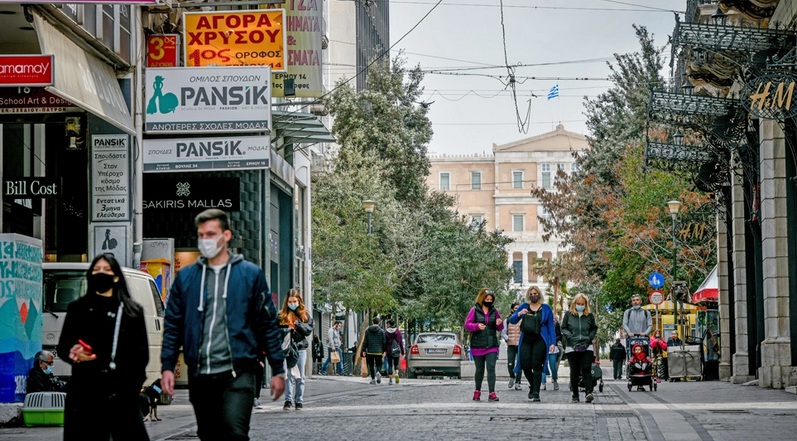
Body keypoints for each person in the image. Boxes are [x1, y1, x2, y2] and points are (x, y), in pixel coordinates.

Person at [161, 209, 285, 441]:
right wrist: (167, 365)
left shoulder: (250, 275)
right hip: (202, 373)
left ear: (226, 235)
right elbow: (173, 324)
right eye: (201, 235)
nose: (205, 240)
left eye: (211, 234)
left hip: (239, 371)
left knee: (234, 433)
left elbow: (267, 324)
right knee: (209, 435)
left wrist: (277, 368)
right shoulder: (187, 278)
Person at [57, 253, 149, 441]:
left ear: (116, 276)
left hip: (122, 393)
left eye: (107, 270)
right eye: (97, 270)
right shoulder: (78, 308)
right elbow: (64, 346)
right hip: (85, 393)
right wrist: (75, 352)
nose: (101, 274)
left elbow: (141, 356)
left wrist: (132, 388)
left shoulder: (131, 311)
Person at [509, 286, 556, 402]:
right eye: (531, 294)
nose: (533, 295)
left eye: (535, 293)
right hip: (526, 338)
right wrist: (519, 313)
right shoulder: (524, 306)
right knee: (525, 364)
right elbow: (512, 320)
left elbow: (550, 326)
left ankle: (536, 392)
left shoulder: (546, 308)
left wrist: (553, 342)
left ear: (539, 294)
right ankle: (533, 385)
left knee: (536, 364)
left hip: (540, 338)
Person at [464, 288, 504, 402]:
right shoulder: (474, 310)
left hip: (491, 344)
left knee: (491, 368)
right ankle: (477, 391)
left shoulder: (494, 311)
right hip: (478, 344)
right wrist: (476, 326)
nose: (489, 301)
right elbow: (467, 325)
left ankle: (492, 392)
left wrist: (499, 323)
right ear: (482, 298)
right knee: (479, 370)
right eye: (487, 299)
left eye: (491, 299)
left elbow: (500, 328)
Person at [279, 289, 313, 411]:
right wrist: (286, 329)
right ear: (286, 302)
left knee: (300, 376)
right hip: (287, 348)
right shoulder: (282, 315)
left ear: (299, 301)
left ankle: (299, 401)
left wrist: (297, 324)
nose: (292, 303)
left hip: (300, 347)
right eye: (290, 301)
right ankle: (288, 400)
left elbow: (308, 330)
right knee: (288, 375)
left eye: (294, 301)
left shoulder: (305, 315)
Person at [561, 293, 598, 403]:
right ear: (574, 304)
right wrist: (570, 337)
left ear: (586, 305)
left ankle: (588, 392)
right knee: (575, 371)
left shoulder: (589, 316)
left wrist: (589, 337)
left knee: (587, 368)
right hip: (572, 346)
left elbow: (594, 329)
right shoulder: (568, 315)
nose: (580, 305)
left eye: (582, 304)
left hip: (587, 346)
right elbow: (563, 328)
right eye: (578, 303)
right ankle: (575, 394)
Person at [501, 302, 523, 390]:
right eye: (515, 308)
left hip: (520, 345)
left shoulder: (523, 319)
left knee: (520, 364)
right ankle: (512, 376)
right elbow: (503, 332)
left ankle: (518, 382)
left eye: (518, 308)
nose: (517, 309)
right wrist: (507, 338)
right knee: (510, 364)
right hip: (511, 345)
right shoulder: (507, 320)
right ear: (512, 309)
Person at [622, 294, 652, 359]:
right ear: (632, 302)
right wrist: (629, 332)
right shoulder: (627, 312)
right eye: (633, 300)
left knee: (646, 356)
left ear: (641, 301)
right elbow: (624, 324)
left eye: (637, 300)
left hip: (643, 339)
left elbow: (650, 325)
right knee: (630, 356)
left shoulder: (646, 313)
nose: (635, 302)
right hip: (631, 339)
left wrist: (645, 333)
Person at [361, 317, 387, 384]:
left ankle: (373, 379)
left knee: (371, 365)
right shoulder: (381, 331)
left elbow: (365, 341)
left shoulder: (368, 330)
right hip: (379, 351)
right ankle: (378, 372)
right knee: (379, 364)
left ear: (372, 322)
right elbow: (384, 341)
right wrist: (384, 350)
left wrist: (363, 350)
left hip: (370, 351)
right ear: (379, 322)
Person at [541, 315, 563, 391]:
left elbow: (559, 335)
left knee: (553, 365)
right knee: (543, 365)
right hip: (543, 346)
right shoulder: (541, 323)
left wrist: (553, 341)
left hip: (553, 347)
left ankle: (555, 380)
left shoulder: (555, 323)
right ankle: (543, 382)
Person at [384, 319, 405, 385]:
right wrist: (402, 351)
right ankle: (396, 374)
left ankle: (390, 380)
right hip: (396, 350)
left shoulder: (386, 332)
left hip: (389, 350)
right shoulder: (398, 332)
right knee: (396, 364)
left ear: (389, 324)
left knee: (390, 364)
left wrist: (384, 350)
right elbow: (401, 342)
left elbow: (384, 342)